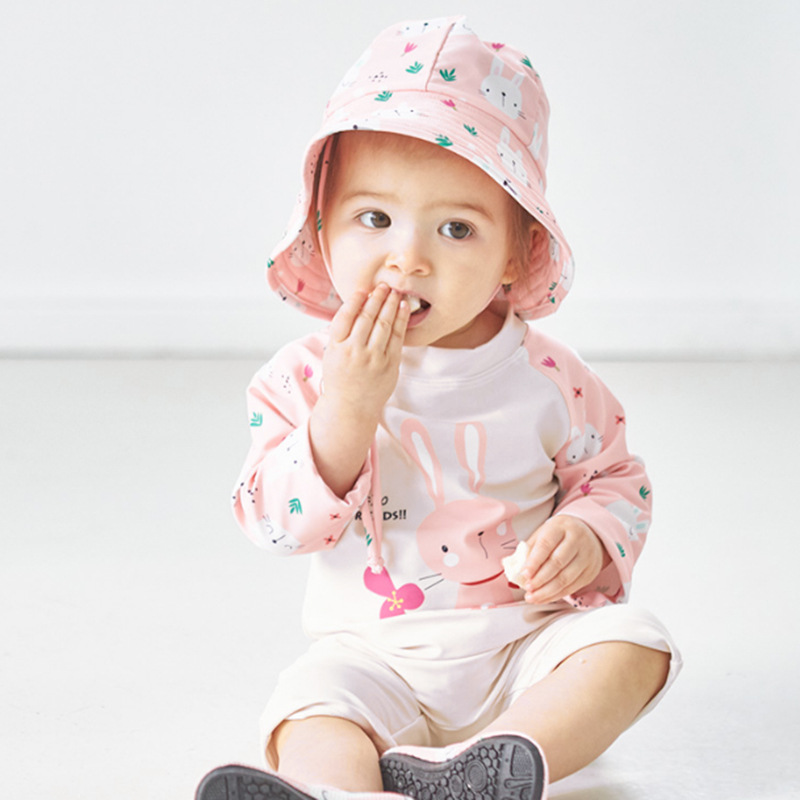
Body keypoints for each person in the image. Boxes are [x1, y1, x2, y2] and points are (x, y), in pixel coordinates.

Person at [196, 16, 682, 800]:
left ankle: (496, 762)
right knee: (309, 705)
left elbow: (617, 481)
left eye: (456, 228)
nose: (408, 258)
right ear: (321, 227)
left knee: (637, 645)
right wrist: (345, 410)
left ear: (517, 253)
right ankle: (342, 790)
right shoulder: (305, 377)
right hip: (373, 657)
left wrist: (589, 536)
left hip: (526, 651)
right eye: (374, 219)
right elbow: (273, 523)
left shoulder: (550, 378)